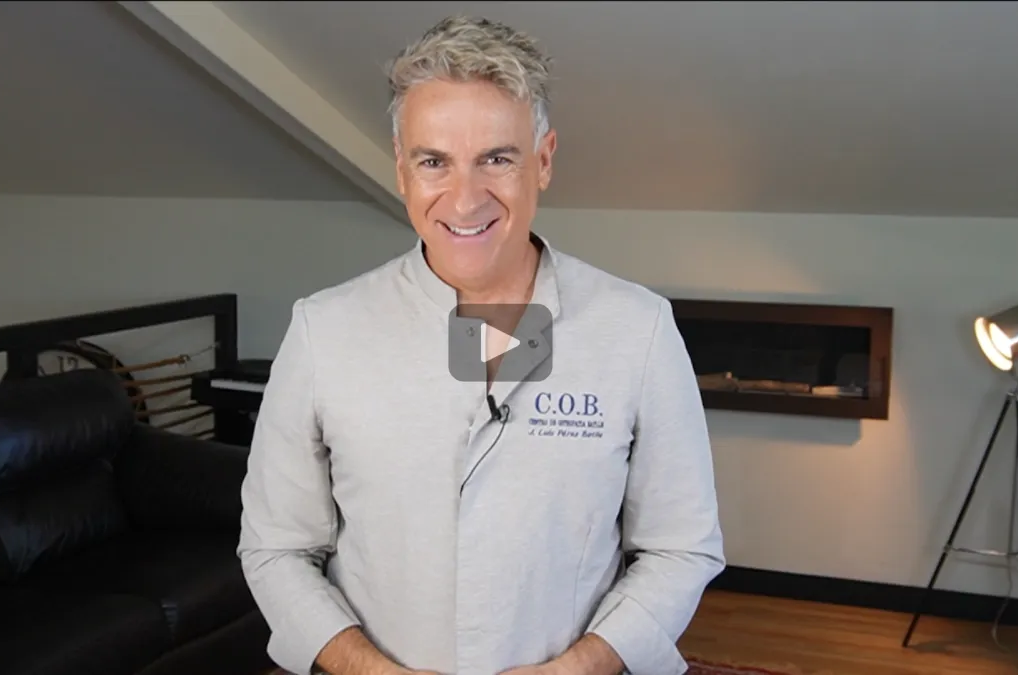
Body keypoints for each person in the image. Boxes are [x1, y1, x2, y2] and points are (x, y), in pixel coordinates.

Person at [238, 14, 725, 675]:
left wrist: (577, 668)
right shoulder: (323, 331)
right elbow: (276, 549)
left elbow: (681, 547)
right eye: (434, 161)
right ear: (402, 169)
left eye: (497, 158)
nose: (465, 200)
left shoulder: (636, 329)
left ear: (543, 161)